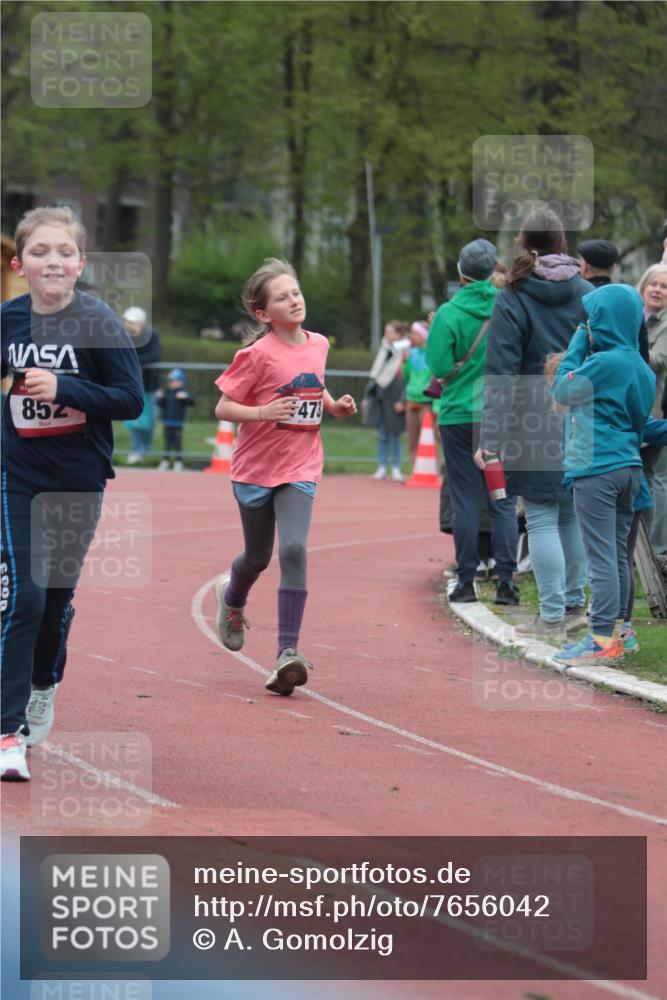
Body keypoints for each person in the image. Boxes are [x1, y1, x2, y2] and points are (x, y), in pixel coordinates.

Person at [1, 206, 143, 780]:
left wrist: (65, 387)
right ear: (20, 263)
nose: (52, 261)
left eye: (64, 252)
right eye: (40, 252)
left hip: (79, 479)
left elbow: (129, 401)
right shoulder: (8, 319)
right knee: (23, 599)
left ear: (80, 263)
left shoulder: (99, 322)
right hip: (17, 475)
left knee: (55, 602)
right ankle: (7, 731)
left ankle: (42, 685)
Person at [212, 258, 356, 696]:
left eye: (295, 292)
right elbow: (222, 408)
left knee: (293, 548)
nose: (294, 300)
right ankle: (232, 597)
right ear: (262, 314)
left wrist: (332, 406)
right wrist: (261, 412)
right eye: (282, 297)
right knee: (256, 558)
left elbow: (312, 382)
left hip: (301, 464)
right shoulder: (254, 355)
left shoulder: (319, 343)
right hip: (256, 469)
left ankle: (286, 654)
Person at [477, 206, 591, 639]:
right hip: (583, 409)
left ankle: (552, 612)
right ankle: (576, 604)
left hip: (532, 414)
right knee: (572, 516)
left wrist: (492, 438)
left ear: (525, 245)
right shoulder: (585, 292)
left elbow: (502, 372)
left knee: (541, 517)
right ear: (563, 243)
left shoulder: (514, 296)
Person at [550, 284, 655, 665]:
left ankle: (600, 640)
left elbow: (562, 389)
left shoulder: (604, 362)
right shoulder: (642, 368)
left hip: (596, 468)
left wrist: (577, 341)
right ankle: (620, 633)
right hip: (628, 468)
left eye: (592, 318)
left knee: (601, 561)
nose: (588, 324)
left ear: (605, 320)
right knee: (616, 559)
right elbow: (641, 424)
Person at [427, 238, 519, 605]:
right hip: (501, 417)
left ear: (461, 272)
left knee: (465, 497)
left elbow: (439, 367)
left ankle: (466, 580)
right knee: (501, 498)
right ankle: (507, 583)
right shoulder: (507, 307)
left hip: (459, 417)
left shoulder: (449, 313)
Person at [637, 263, 667, 553]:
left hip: (654, 412)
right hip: (631, 411)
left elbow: (658, 360)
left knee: (654, 480)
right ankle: (636, 549)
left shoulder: (665, 323)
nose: (657, 290)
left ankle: (657, 550)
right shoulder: (634, 315)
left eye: (665, 287)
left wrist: (626, 355)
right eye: (653, 284)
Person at [362, 320, 409, 481]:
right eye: (385, 332)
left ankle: (396, 467)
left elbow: (409, 378)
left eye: (389, 332)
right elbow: (375, 372)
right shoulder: (384, 348)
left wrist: (403, 400)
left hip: (395, 395)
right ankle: (381, 466)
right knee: (382, 433)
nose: (386, 335)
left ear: (399, 334)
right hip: (380, 395)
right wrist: (367, 396)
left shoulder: (406, 351)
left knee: (395, 434)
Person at [122, 305, 161, 464]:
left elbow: (153, 356)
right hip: (130, 383)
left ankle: (146, 449)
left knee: (149, 418)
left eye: (133, 322)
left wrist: (132, 361)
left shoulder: (152, 335)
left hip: (149, 384)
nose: (130, 325)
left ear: (142, 323)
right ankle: (136, 449)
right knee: (134, 418)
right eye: (128, 322)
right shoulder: (124, 336)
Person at [401, 321, 434, 469]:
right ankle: (414, 471)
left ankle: (434, 471)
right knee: (412, 440)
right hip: (411, 400)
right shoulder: (411, 353)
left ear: (423, 335)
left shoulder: (432, 353)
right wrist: (405, 362)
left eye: (415, 333)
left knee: (429, 439)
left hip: (427, 402)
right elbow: (405, 376)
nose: (411, 336)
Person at [156, 367, 194, 470]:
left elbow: (192, 402)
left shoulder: (183, 392)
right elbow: (161, 404)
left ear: (180, 382)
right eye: (169, 381)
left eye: (173, 381)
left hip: (178, 422)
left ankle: (178, 461)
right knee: (167, 442)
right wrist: (159, 398)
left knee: (177, 442)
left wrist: (185, 397)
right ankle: (165, 461)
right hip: (167, 421)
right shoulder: (167, 392)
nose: (170, 383)